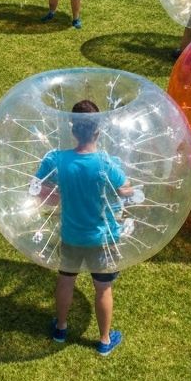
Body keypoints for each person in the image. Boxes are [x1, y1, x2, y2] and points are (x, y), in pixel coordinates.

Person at [37, 100, 134, 355]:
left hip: (71, 235)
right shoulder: (106, 163)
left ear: (73, 130)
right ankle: (104, 340)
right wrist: (129, 191)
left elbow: (38, 189)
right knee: (103, 287)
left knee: (66, 280)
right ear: (98, 131)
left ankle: (60, 328)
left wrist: (62, 195)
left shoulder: (58, 160)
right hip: (103, 237)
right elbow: (125, 190)